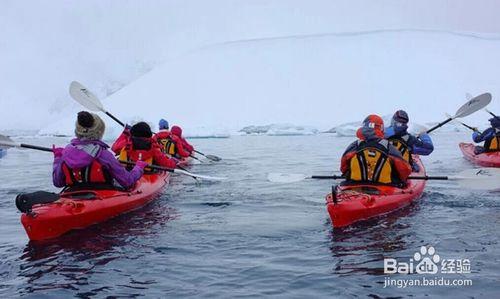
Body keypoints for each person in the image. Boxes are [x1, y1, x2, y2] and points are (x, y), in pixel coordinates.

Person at [52, 111, 147, 189]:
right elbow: (127, 181)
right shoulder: (104, 155)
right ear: (100, 131)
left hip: (74, 197)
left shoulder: (66, 154)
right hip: (104, 197)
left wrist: (57, 157)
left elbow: (57, 182)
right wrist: (138, 167)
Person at [340, 114, 412, 186]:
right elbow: (405, 170)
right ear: (381, 128)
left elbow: (343, 168)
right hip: (386, 187)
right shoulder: (389, 147)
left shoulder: (354, 146)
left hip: (354, 184)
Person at [112, 121, 177, 169]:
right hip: (148, 176)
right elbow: (167, 165)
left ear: (132, 135)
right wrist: (173, 162)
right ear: (149, 135)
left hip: (130, 175)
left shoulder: (126, 146)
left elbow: (114, 148)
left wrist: (125, 132)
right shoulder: (154, 148)